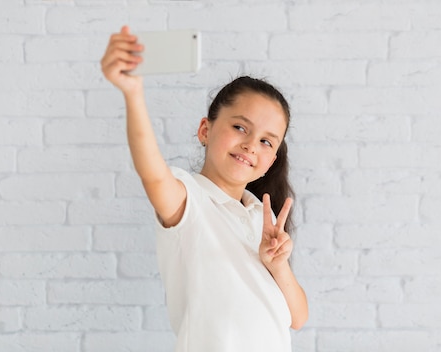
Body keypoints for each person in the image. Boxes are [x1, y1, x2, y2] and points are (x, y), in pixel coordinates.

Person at [101, 26, 308, 351]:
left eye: (267, 141)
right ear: (205, 130)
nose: (251, 145)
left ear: (272, 160)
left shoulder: (260, 218)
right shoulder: (189, 199)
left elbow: (297, 318)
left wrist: (278, 266)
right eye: (240, 127)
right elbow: (153, 175)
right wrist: (132, 93)